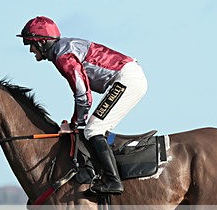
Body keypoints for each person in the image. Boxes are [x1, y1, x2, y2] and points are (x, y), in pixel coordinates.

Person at [17, 16, 148, 195]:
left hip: (127, 80)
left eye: (31, 44)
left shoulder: (63, 56)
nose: (31, 50)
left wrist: (75, 123)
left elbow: (83, 94)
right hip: (127, 77)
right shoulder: (62, 49)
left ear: (42, 42)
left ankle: (113, 181)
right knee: (93, 128)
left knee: (92, 130)